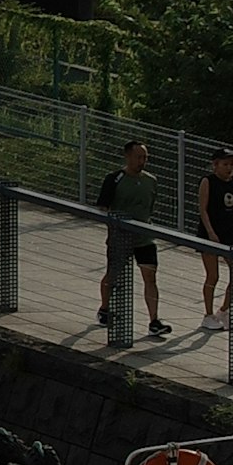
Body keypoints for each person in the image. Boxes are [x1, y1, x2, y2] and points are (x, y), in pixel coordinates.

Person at [96, 140, 166, 339]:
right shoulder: (115, 179)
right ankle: (104, 308)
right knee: (114, 274)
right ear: (127, 156)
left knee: (150, 277)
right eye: (138, 157)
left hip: (145, 237)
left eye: (145, 157)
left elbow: (150, 206)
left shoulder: (151, 180)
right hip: (120, 237)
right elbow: (103, 207)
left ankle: (154, 320)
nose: (142, 161)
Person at [195, 149, 233, 323]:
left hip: (230, 232)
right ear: (215, 165)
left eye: (232, 164)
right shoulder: (207, 181)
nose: (229, 168)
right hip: (211, 232)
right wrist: (210, 232)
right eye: (225, 164)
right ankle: (208, 314)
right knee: (213, 275)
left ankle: (224, 309)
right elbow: (203, 209)